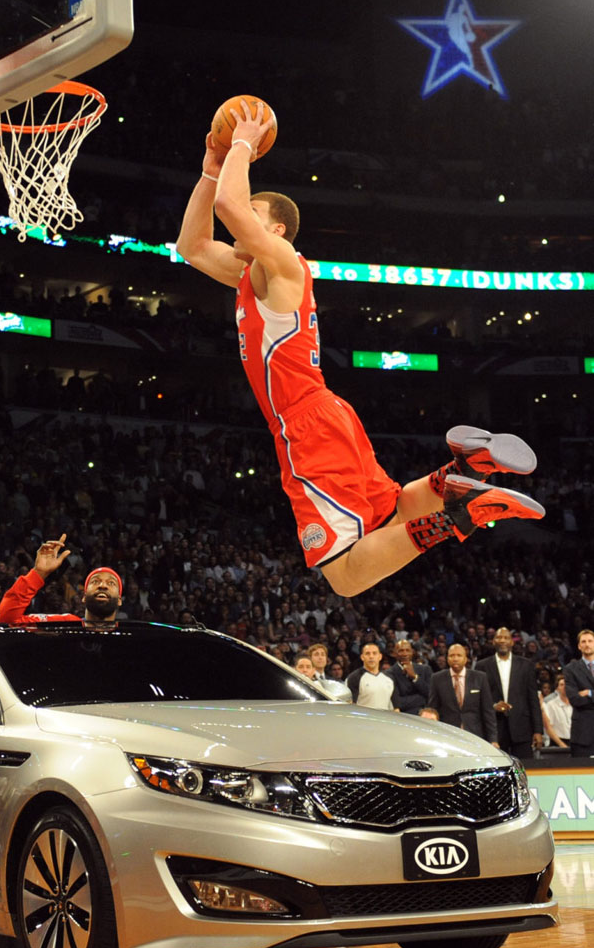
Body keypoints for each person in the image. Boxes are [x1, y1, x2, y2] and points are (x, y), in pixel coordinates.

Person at [175, 99, 545, 598]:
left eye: (256, 215)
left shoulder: (283, 264)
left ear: (276, 230)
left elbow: (230, 208)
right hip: (326, 415)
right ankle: (462, 471)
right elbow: (192, 247)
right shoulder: (251, 275)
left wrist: (242, 141)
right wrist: (209, 173)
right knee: (390, 513)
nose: (241, 222)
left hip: (305, 424)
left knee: (345, 576)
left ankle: (463, 511)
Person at [0, 533, 122, 628]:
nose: (103, 586)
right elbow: (4, 623)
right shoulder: (63, 624)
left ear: (120, 600)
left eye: (111, 583)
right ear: (83, 596)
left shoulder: (133, 636)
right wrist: (38, 574)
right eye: (95, 581)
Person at [477, 626, 543, 758]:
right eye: (499, 637)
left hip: (522, 728)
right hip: (495, 729)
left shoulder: (526, 665)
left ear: (512, 642)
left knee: (525, 769)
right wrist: (494, 706)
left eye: (506, 637)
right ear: (493, 641)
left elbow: (533, 700)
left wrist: (538, 730)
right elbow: (479, 699)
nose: (502, 640)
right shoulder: (482, 666)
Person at [427, 643, 498, 743]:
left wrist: (493, 740)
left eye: (459, 655)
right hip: (447, 734)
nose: (455, 658)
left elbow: (488, 711)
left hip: (475, 734)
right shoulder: (437, 678)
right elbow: (433, 709)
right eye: (452, 655)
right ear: (447, 658)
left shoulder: (480, 677)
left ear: (465, 659)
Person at [563, 629, 594, 756]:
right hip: (582, 734)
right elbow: (575, 699)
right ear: (579, 646)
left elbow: (582, 698)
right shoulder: (570, 669)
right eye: (584, 641)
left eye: (590, 641)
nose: (587, 644)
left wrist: (590, 693)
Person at [385, 638, 432, 715]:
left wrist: (415, 677)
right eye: (401, 651)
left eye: (407, 650)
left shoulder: (425, 669)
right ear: (395, 653)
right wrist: (422, 699)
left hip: (424, 717)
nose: (405, 654)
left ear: (412, 652)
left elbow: (431, 695)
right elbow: (397, 702)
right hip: (404, 717)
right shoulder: (389, 674)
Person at [346, 642, 398, 709]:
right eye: (367, 653)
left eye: (374, 653)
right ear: (362, 657)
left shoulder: (389, 678)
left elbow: (396, 707)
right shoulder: (354, 678)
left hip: (385, 718)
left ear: (380, 656)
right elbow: (350, 706)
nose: (371, 656)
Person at [544, 674, 572, 746]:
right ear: (557, 688)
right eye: (562, 685)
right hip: (557, 742)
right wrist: (561, 744)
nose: (565, 687)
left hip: (575, 741)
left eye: (566, 684)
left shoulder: (576, 704)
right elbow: (548, 727)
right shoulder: (550, 705)